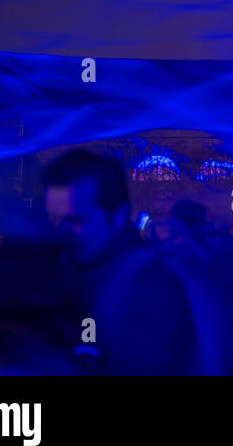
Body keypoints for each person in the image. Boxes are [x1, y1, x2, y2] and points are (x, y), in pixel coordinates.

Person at [43, 148, 203, 374]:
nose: (60, 231)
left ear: (118, 216)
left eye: (77, 220)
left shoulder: (150, 284)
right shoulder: (68, 270)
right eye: (53, 218)